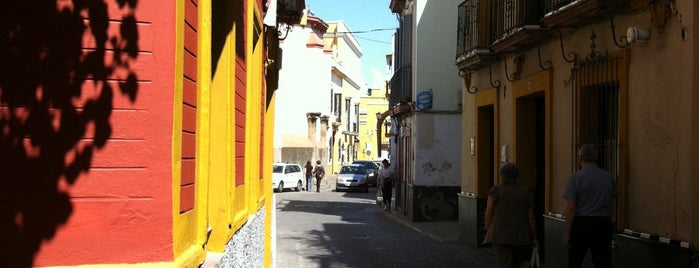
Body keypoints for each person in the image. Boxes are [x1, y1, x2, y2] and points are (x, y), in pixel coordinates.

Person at [563, 144, 616, 268]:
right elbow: (611, 203)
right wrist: (610, 220)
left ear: (580, 158)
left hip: (581, 224)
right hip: (602, 224)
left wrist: (567, 233)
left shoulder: (574, 178)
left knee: (575, 261)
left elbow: (571, 207)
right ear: (596, 158)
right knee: (603, 262)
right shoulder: (609, 177)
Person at [484, 162, 537, 268]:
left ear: (502, 176)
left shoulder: (495, 191)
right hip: (521, 236)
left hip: (500, 236)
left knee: (503, 263)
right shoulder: (526, 192)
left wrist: (490, 229)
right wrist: (534, 237)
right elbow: (531, 217)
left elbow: (488, 214)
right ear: (517, 176)